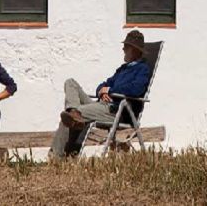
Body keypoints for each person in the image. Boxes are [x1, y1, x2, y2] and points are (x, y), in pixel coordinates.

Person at [49, 29, 151, 159]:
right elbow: (103, 84)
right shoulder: (123, 69)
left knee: (69, 116)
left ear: (135, 50)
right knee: (70, 83)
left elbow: (136, 89)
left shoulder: (142, 69)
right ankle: (74, 112)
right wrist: (101, 92)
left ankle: (55, 157)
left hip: (115, 111)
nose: (123, 49)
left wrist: (110, 91)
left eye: (126, 47)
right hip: (102, 105)